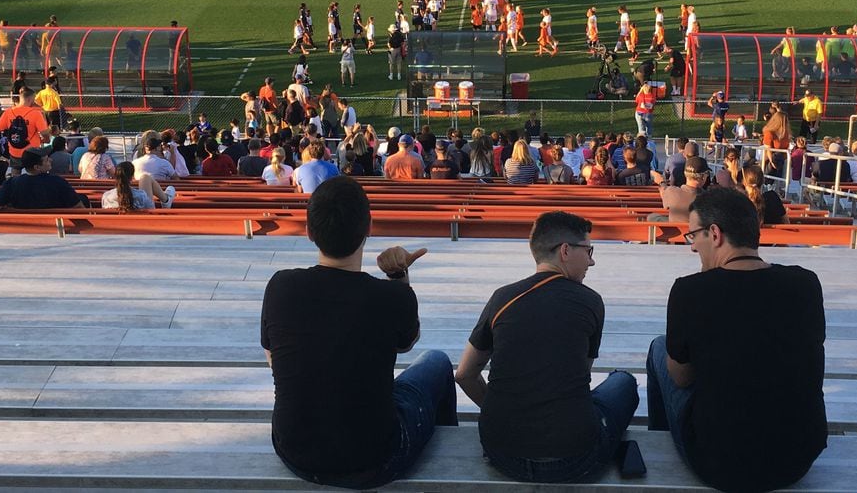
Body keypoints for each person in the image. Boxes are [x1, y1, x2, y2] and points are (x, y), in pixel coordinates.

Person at [261, 176, 455, 488]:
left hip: (294, 451)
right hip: (376, 458)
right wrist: (398, 276)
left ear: (309, 231)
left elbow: (275, 358)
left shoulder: (280, 286)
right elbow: (407, 342)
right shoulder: (392, 295)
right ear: (369, 227)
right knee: (438, 362)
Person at [648, 188, 826, 492]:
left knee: (659, 347)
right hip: (797, 459)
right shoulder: (806, 283)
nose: (692, 248)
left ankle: (663, 441)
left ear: (714, 234)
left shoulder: (690, 291)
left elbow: (680, 378)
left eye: (693, 236)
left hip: (718, 462)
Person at [456, 211, 638, 483]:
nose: (592, 261)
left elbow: (463, 374)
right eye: (588, 251)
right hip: (575, 458)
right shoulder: (590, 301)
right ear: (565, 250)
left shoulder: (502, 298)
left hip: (502, 453)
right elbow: (579, 375)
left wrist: (503, 410)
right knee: (623, 381)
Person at [0, 150, 87, 210]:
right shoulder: (58, 182)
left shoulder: (12, 183)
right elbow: (78, 207)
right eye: (47, 160)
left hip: (22, 229)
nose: (50, 160)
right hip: (55, 227)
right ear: (37, 167)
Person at [0, 87, 48, 169]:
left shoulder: (8, 112)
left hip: (14, 150)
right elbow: (44, 132)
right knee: (31, 173)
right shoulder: (36, 114)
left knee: (15, 172)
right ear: (29, 99)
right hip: (32, 152)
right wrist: (46, 139)